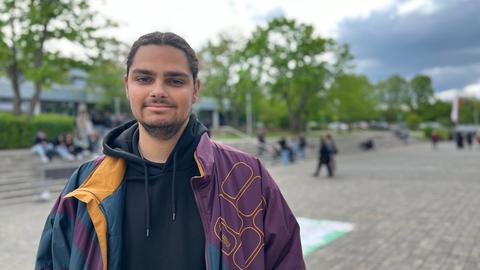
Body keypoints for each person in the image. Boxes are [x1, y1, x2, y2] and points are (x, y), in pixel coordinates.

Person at [35, 32, 305, 270]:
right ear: (127, 86)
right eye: (144, 78)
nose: (158, 91)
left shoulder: (247, 178)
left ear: (195, 90)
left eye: (175, 81)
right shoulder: (85, 185)